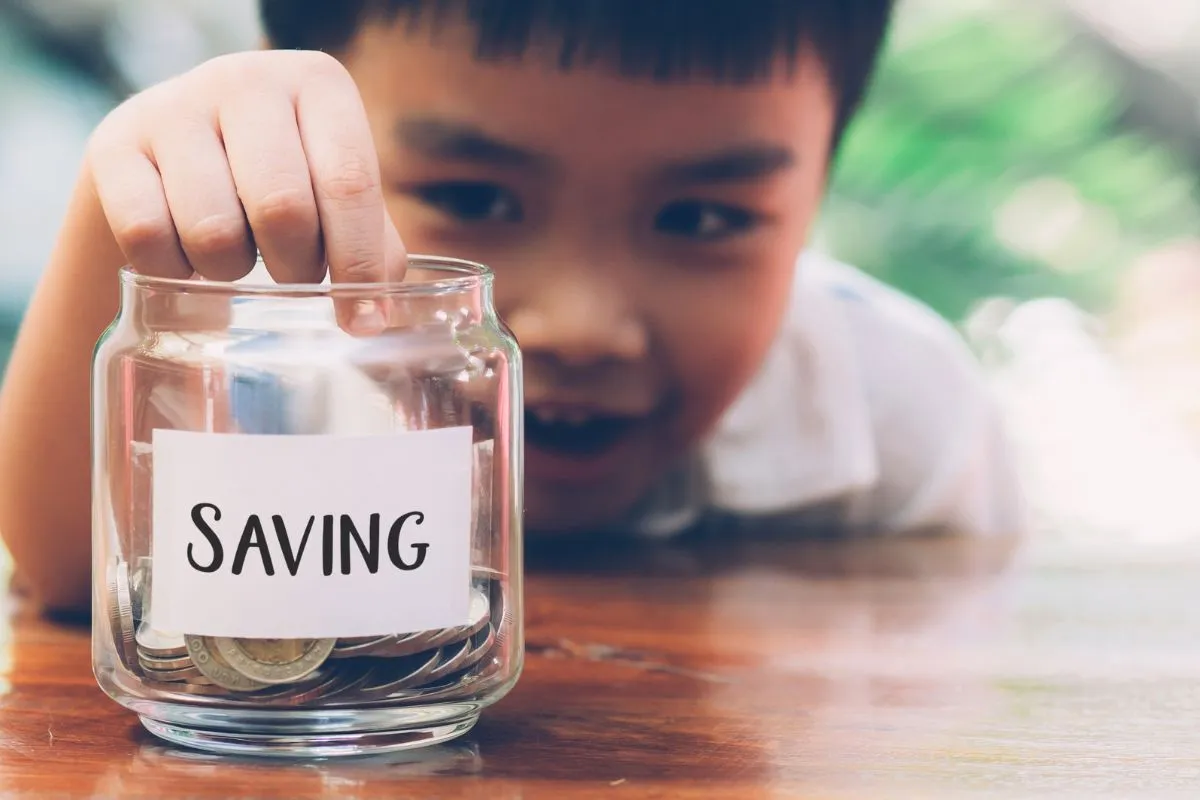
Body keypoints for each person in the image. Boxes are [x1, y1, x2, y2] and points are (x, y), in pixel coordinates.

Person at [0, 0, 1022, 612]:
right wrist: (115, 212)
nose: (579, 323)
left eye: (704, 217)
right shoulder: (254, 357)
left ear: (817, 197)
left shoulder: (897, 407)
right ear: (313, 160)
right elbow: (71, 574)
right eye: (476, 199)